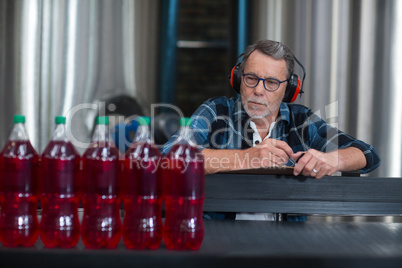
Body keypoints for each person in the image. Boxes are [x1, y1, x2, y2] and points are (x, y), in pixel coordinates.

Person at [162, 40, 381, 220]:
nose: (258, 90)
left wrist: (334, 160)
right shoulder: (216, 111)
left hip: (286, 246)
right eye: (251, 78)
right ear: (238, 79)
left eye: (272, 82)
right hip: (218, 242)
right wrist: (246, 158)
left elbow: (368, 154)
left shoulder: (302, 121)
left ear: (289, 89)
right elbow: (171, 157)